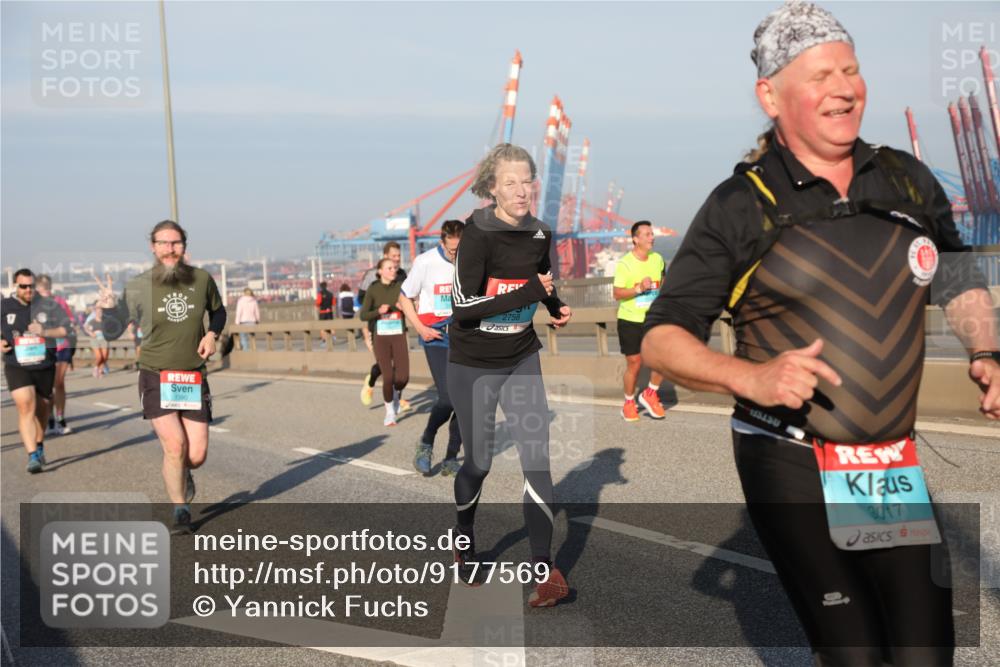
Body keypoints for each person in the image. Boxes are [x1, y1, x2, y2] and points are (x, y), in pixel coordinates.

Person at [641, 3, 999, 663]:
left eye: (852, 69)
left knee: (926, 651)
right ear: (770, 95)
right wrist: (750, 376)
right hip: (790, 458)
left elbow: (959, 280)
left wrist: (985, 348)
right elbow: (662, 339)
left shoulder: (904, 179)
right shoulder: (740, 204)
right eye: (821, 75)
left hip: (886, 465)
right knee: (854, 651)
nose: (844, 87)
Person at [449, 143, 573, 607]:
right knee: (478, 463)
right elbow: (462, 309)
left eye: (528, 180)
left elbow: (542, 280)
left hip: (521, 354)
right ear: (492, 188)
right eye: (511, 183)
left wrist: (555, 307)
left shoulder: (541, 232)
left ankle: (544, 571)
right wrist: (525, 290)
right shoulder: (477, 235)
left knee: (536, 459)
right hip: (474, 363)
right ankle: (464, 539)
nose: (522, 191)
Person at [98, 220, 227, 535]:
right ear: (153, 247)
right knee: (174, 445)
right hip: (156, 374)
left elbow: (219, 312)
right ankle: (180, 509)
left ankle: (185, 472)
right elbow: (111, 332)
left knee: (195, 454)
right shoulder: (139, 285)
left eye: (176, 243)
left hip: (193, 375)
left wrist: (212, 334)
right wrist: (108, 309)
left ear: (184, 245)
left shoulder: (202, 279)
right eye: (163, 243)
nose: (170, 249)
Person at [397, 219, 464, 476]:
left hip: (463, 335)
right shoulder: (425, 262)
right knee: (448, 398)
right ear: (442, 242)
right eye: (452, 251)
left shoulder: (471, 259)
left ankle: (450, 458)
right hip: (435, 335)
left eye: (460, 249)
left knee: (465, 401)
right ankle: (426, 441)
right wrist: (420, 329)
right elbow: (405, 297)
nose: (456, 255)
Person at [1, 269, 71, 472]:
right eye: (23, 286)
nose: (28, 290)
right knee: (25, 406)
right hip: (17, 364)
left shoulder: (49, 305)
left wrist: (45, 331)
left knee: (42, 408)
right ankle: (32, 456)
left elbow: (65, 329)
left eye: (31, 286)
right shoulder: (4, 306)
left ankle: (39, 445)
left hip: (44, 364)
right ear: (16, 286)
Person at [612, 220, 667, 421]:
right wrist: (638, 289)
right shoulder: (625, 263)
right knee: (634, 364)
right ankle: (628, 403)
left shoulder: (658, 259)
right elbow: (617, 294)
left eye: (652, 234)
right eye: (647, 234)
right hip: (630, 320)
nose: (652, 237)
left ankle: (651, 393)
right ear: (635, 239)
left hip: (653, 319)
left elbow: (663, 281)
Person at [359, 258, 409, 426]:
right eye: (389, 268)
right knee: (388, 376)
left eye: (394, 268)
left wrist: (404, 307)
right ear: (380, 271)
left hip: (398, 333)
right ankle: (389, 412)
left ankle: (395, 395)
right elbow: (363, 315)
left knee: (402, 377)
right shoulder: (373, 289)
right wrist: (378, 311)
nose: (393, 270)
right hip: (380, 336)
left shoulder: (401, 287)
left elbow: (413, 307)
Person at [35, 274, 76, 435]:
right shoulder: (34, 304)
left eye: (47, 288)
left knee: (59, 382)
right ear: (37, 289)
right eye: (42, 289)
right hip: (43, 349)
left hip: (62, 346)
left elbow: (70, 323)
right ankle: (49, 417)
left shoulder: (60, 302)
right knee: (47, 385)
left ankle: (60, 418)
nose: (45, 292)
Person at [83, 303, 109, 377]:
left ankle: (101, 370)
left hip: (104, 339)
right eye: (98, 312)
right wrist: (90, 333)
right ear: (95, 312)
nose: (99, 313)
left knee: (104, 356)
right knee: (99, 356)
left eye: (100, 312)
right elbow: (85, 327)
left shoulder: (105, 320)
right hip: (95, 339)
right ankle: (96, 367)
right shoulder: (92, 321)